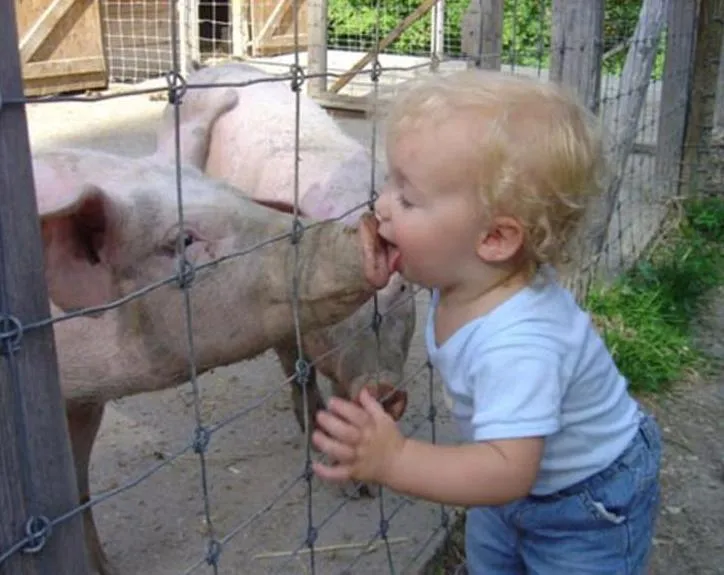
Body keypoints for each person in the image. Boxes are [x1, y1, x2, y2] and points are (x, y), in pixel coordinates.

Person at [310, 68, 662, 574]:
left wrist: (397, 460)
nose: (381, 205)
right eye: (390, 182)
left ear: (494, 239)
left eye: (407, 198)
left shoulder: (519, 344)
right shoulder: (467, 277)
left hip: (587, 501)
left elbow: (505, 471)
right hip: (512, 485)